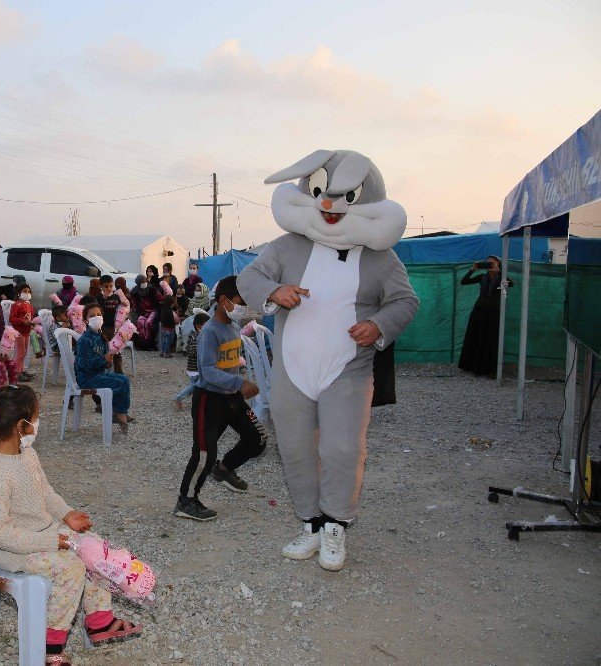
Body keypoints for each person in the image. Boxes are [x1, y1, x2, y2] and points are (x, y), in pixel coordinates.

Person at [237, 149, 419, 571]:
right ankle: (311, 523)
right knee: (296, 449)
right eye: (320, 192)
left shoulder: (380, 257)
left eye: (343, 196)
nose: (329, 205)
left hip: (347, 369)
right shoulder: (287, 246)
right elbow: (250, 277)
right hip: (292, 369)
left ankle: (336, 523)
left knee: (341, 448)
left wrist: (378, 324)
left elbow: (405, 301)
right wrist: (273, 292)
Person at [0, 385, 142, 663]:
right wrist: (55, 541)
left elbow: (46, 492)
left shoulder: (27, 454)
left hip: (44, 532)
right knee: (71, 567)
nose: (38, 423)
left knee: (93, 548)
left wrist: (67, 514)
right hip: (16, 550)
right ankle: (50, 648)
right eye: (35, 417)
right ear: (20, 425)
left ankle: (99, 620)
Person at [175, 276, 264, 522]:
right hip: (209, 400)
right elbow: (208, 371)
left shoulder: (234, 327)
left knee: (257, 439)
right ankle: (186, 501)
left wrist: (238, 384)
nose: (243, 306)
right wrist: (240, 382)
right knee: (204, 453)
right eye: (240, 301)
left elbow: (230, 364)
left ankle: (224, 470)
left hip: (231, 399)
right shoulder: (210, 332)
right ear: (224, 301)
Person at [76, 304, 131, 433]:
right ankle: (118, 414)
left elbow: (104, 361)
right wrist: (103, 359)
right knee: (118, 383)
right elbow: (84, 364)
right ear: (85, 320)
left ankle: (120, 412)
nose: (96, 318)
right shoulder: (85, 340)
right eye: (92, 316)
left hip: (99, 374)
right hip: (87, 378)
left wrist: (108, 361)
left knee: (124, 380)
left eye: (99, 315)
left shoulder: (101, 337)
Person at [458, 255, 512, 378]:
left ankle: (488, 369)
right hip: (479, 311)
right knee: (476, 336)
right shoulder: (482, 277)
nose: (490, 264)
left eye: (493, 262)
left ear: (498, 264)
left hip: (493, 312)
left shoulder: (501, 278)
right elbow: (464, 281)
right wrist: (472, 270)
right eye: (488, 262)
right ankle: (472, 367)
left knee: (490, 339)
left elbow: (511, 284)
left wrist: (500, 272)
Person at [173, 312, 209, 410]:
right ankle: (179, 398)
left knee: (199, 386)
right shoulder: (198, 337)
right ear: (199, 326)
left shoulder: (198, 335)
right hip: (195, 368)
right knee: (195, 386)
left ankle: (198, 402)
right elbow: (193, 351)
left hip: (195, 368)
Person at [9, 282, 35, 382]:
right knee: (21, 352)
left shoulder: (29, 305)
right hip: (19, 332)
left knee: (24, 352)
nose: (27, 293)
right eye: (25, 291)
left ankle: (21, 370)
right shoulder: (17, 305)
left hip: (26, 331)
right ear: (19, 293)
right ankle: (16, 373)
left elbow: (30, 317)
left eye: (28, 291)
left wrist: (31, 323)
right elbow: (12, 319)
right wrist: (22, 321)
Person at [129, 274, 162, 351]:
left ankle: (150, 344)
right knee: (140, 323)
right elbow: (133, 305)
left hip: (153, 311)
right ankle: (142, 344)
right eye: (142, 282)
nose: (144, 283)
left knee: (148, 323)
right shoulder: (134, 292)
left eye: (145, 281)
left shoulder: (152, 290)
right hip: (142, 312)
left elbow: (161, 299)